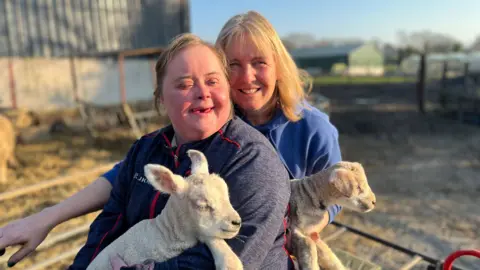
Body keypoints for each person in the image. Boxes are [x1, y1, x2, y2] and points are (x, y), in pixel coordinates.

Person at [0, 10, 342, 268]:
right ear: (161, 98)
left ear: (278, 65)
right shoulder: (161, 145)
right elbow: (123, 182)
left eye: (259, 63)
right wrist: (47, 218)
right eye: (233, 66)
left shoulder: (295, 136)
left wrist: (305, 224)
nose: (246, 77)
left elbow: (333, 191)